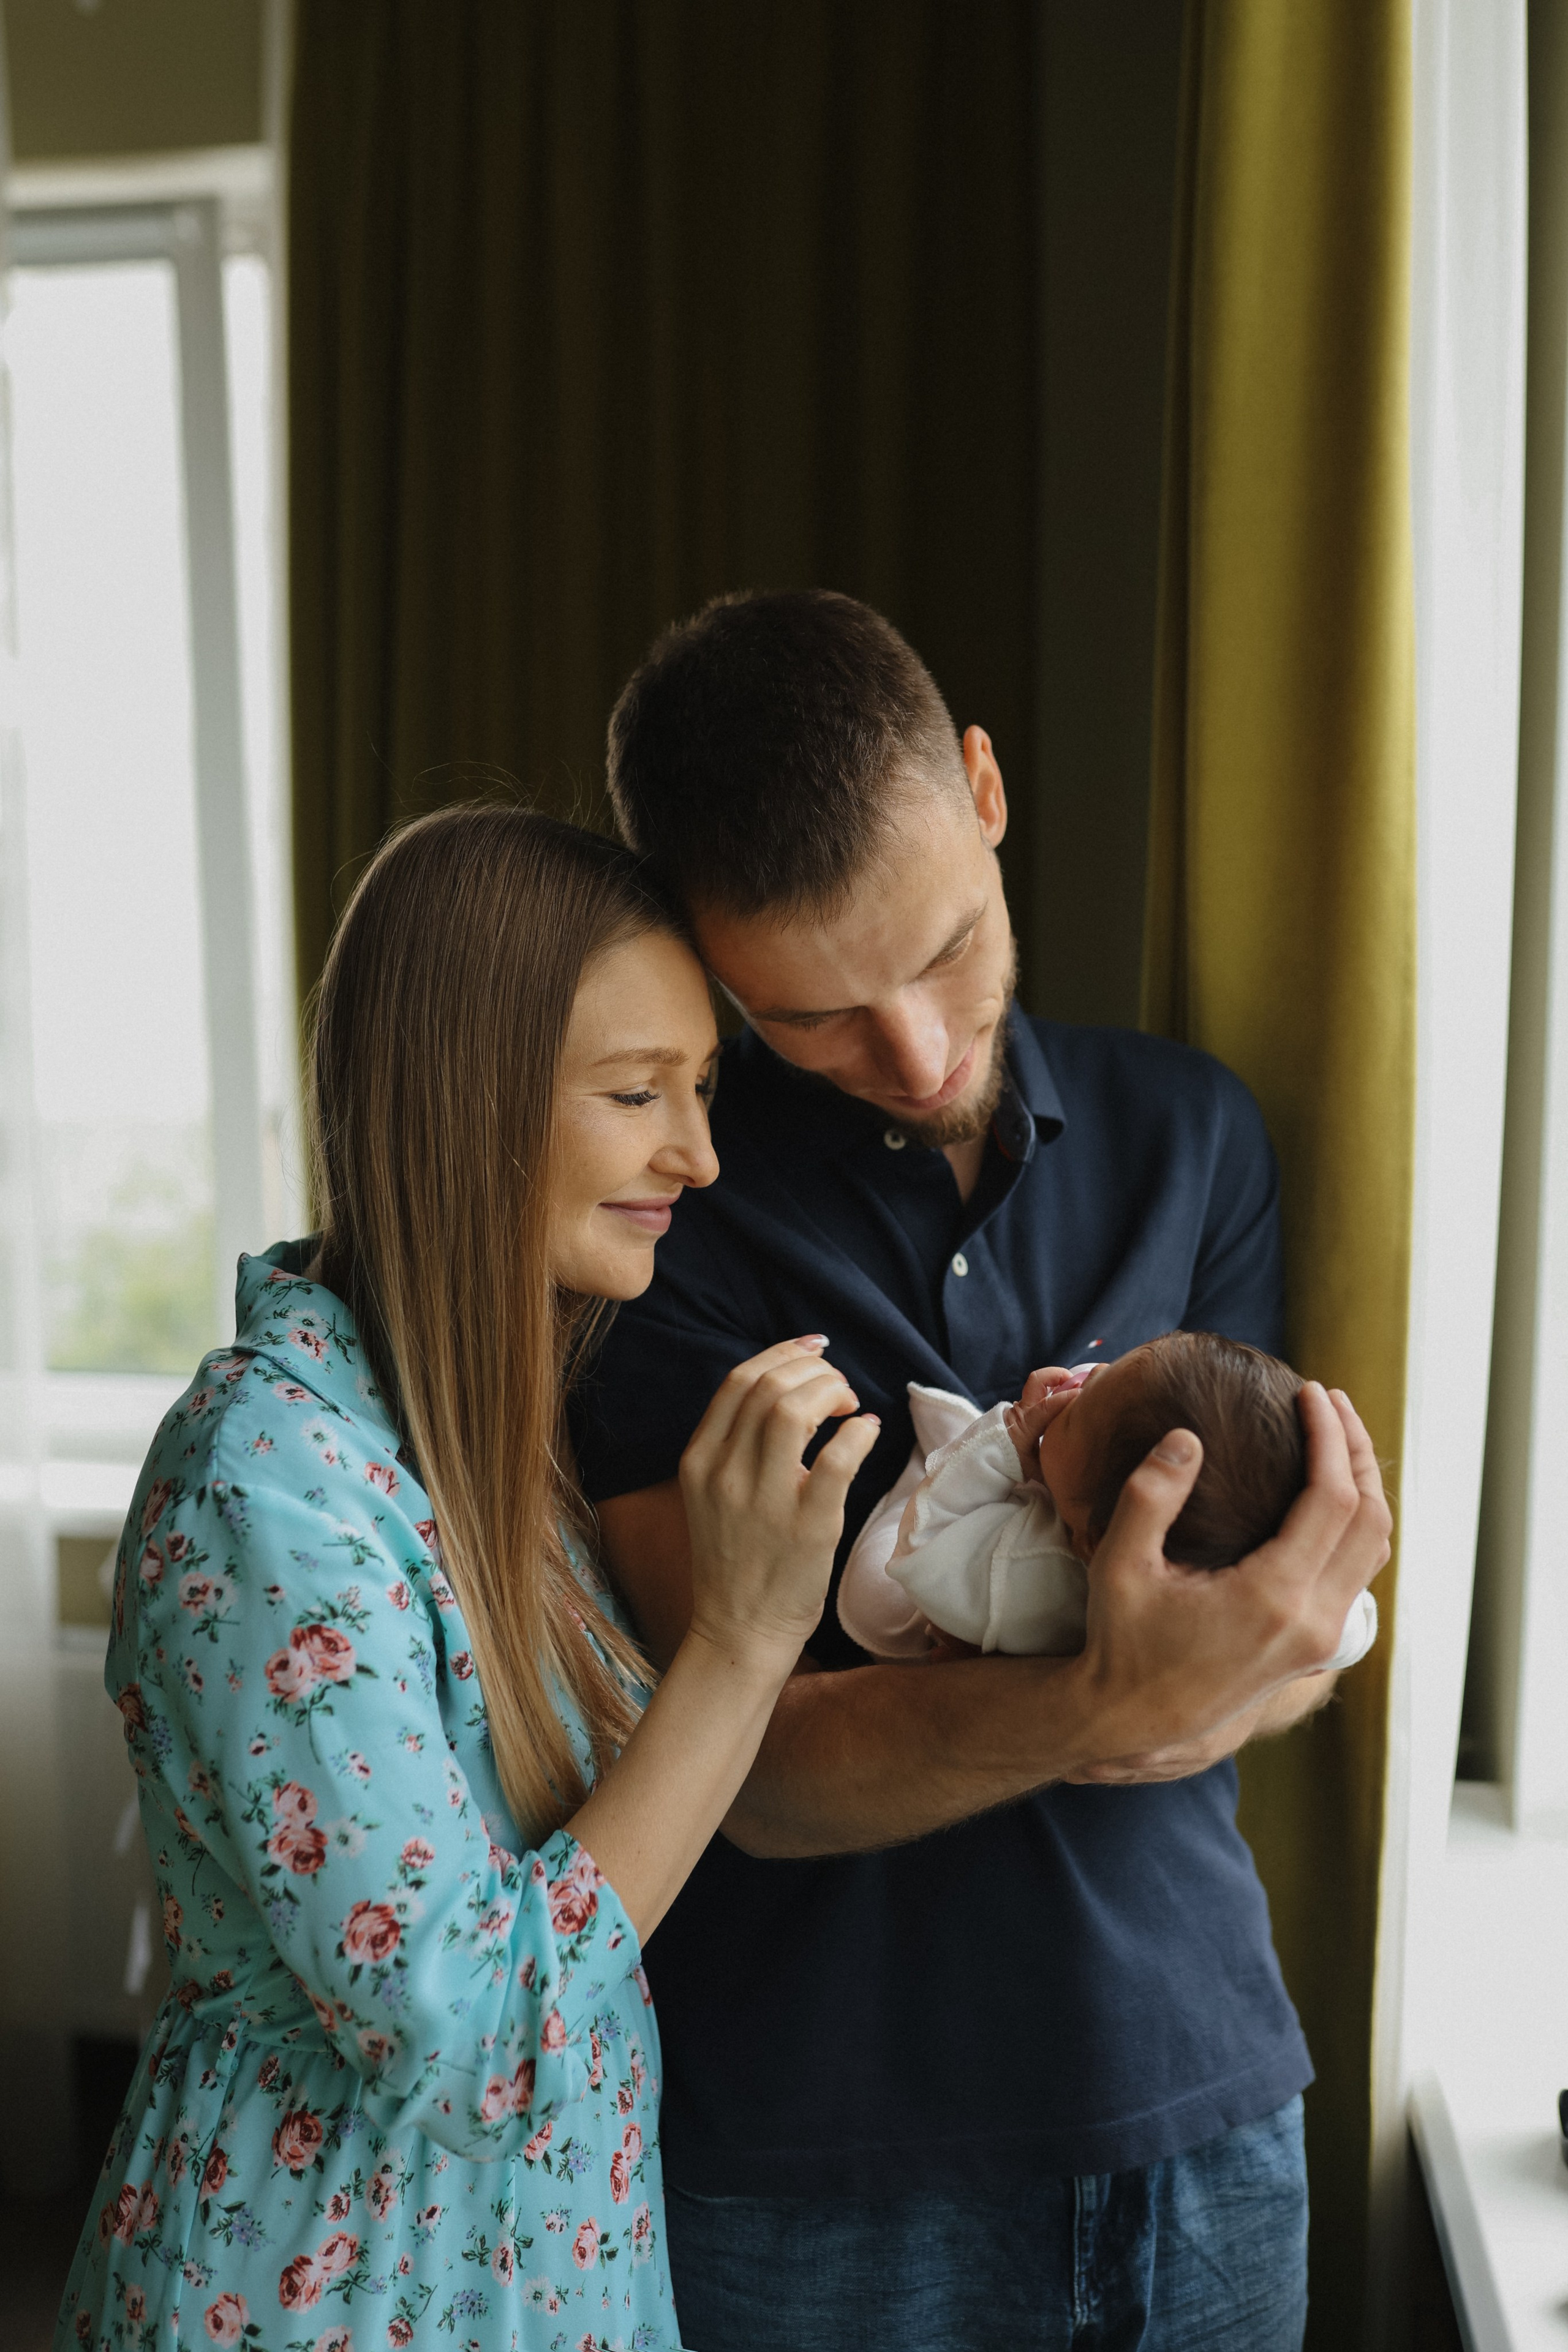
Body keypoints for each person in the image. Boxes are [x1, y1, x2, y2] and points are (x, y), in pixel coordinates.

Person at [569, 590, 1392, 2352]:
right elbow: (744, 1768)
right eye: (812, 1015)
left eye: (944, 949)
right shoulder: (655, 1218)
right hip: (817, 2167)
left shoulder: (1192, 1135)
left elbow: (1286, 1617)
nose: (918, 1053)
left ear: (986, 789)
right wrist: (1109, 1696)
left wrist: (1237, 1659)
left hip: (1199, 2099)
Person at [55, 805, 886, 2352]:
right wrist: (740, 1639)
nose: (699, 1154)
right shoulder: (264, 1484)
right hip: (331, 2300)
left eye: (701, 1088)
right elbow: (478, 2035)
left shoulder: (488, 1448)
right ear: (468, 1101)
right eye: (636, 1092)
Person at [835, 1334, 1378, 1670]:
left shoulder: (1024, 1567)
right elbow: (1353, 1629)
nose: (1089, 1373)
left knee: (877, 1604)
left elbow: (923, 1547)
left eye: (1073, 1413)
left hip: (927, 1609)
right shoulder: (1256, 1605)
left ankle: (936, 1454)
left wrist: (1003, 1439)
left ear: (1094, 1542)